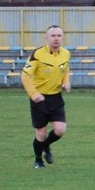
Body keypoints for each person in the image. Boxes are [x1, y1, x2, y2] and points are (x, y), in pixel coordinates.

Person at [21, 25, 71, 169]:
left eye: (59, 35)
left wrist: (66, 83)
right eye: (53, 35)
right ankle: (38, 160)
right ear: (46, 38)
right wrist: (34, 94)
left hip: (56, 97)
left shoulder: (66, 54)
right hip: (39, 99)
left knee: (60, 130)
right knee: (41, 132)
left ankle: (46, 146)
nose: (56, 38)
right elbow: (26, 75)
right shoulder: (37, 54)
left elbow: (65, 69)